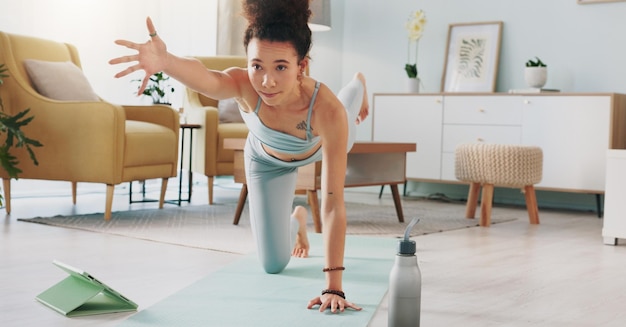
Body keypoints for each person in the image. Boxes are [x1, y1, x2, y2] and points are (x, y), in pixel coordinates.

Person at [109, 0, 369, 314]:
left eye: (281, 67)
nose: (266, 81)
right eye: (257, 65)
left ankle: (358, 84)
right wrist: (166, 61)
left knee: (346, 111)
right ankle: (297, 220)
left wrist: (333, 286)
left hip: (317, 143)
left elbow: (332, 201)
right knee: (272, 264)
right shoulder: (242, 84)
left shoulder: (326, 110)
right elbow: (207, 78)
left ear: (302, 66)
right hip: (266, 161)